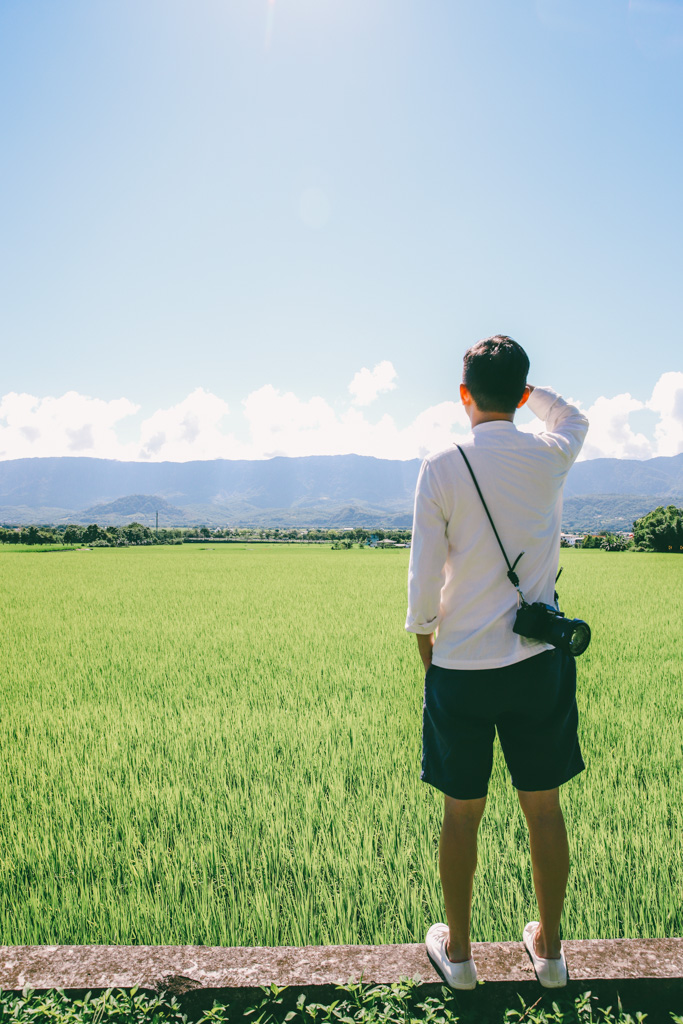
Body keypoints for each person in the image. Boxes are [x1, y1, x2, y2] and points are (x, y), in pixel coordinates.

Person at [405, 335, 589, 991]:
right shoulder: (548, 454)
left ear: (462, 397)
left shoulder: (441, 464)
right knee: (543, 809)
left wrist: (428, 647)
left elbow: (423, 580)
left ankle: (457, 956)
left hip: (459, 668)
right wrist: (526, 391)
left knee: (461, 814)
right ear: (519, 395)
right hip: (536, 662)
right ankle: (551, 954)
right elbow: (574, 417)